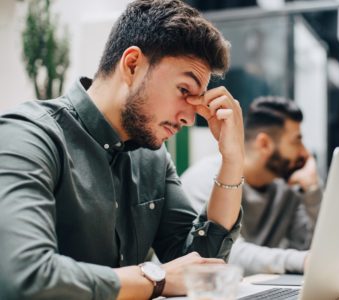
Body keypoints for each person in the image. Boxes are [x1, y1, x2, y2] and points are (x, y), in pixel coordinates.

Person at [0, 1, 245, 299]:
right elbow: (25, 277)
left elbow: (198, 266)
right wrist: (156, 277)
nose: (190, 118)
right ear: (132, 65)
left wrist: (232, 160)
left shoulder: (152, 156)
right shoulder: (27, 136)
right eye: (184, 90)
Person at [181, 96, 322, 275]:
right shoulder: (204, 179)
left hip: (251, 289)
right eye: (296, 140)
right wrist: (303, 260)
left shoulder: (287, 189)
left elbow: (309, 247)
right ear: (264, 144)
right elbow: (225, 254)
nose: (304, 152)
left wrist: (312, 191)